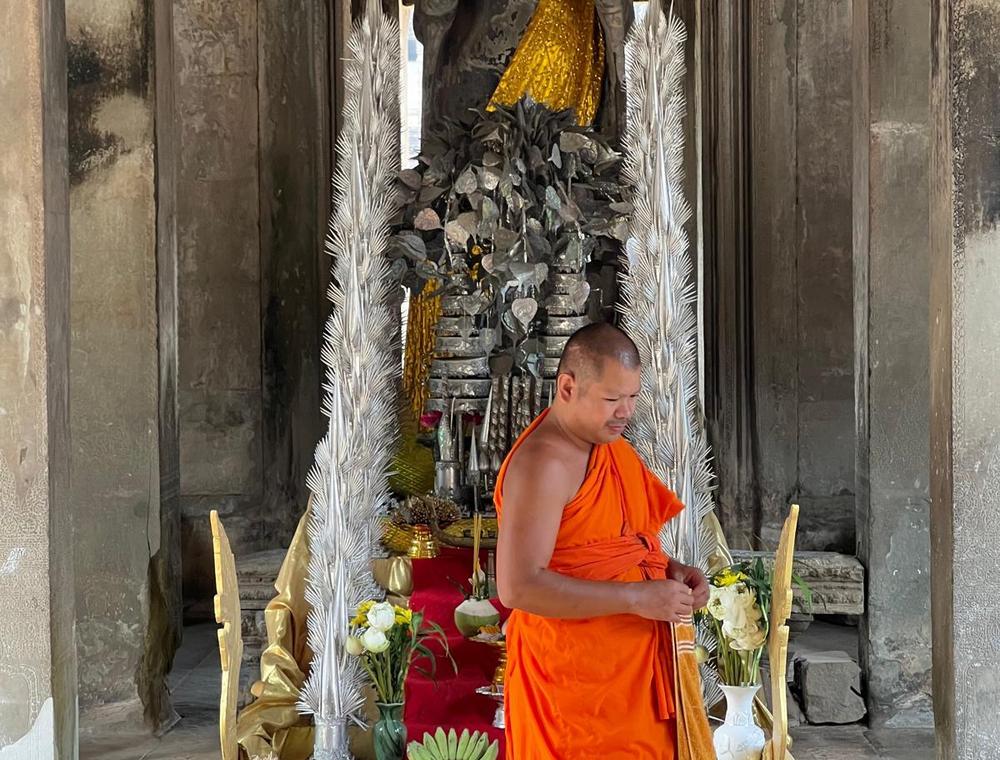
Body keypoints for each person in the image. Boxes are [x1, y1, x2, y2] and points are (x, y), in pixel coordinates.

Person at [495, 322, 710, 759]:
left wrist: (671, 571)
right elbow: (517, 587)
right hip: (574, 691)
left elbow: (623, 544)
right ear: (568, 387)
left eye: (632, 396)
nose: (625, 412)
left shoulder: (608, 446)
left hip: (635, 680)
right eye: (612, 399)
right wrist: (636, 598)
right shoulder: (545, 464)